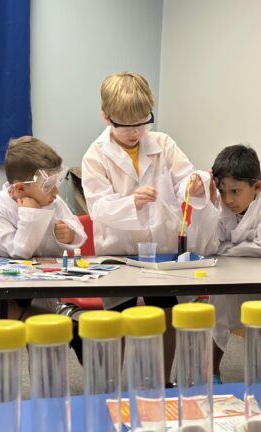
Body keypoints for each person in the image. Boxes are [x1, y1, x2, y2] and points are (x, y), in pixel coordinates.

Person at [81, 71, 211, 382]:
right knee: (122, 318)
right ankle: (111, 387)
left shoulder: (163, 144)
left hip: (161, 252)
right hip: (119, 250)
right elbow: (98, 208)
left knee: (164, 314)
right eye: (125, 125)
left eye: (142, 122)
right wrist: (131, 202)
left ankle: (165, 381)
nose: (135, 132)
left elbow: (185, 180)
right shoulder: (95, 156)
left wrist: (194, 186)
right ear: (106, 117)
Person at [188, 143, 261, 381]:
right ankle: (212, 371)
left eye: (235, 192)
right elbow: (206, 246)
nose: (228, 199)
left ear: (257, 187)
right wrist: (210, 201)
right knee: (219, 308)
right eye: (222, 191)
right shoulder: (218, 201)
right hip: (231, 271)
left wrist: (225, 249)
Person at [0, 136, 87, 325]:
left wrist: (70, 235)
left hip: (44, 289)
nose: (56, 192)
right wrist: (29, 215)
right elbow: (20, 253)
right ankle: (67, 323)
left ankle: (64, 322)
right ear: (20, 187)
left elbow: (79, 231)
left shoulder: (54, 202)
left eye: (57, 183)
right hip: (5, 296)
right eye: (48, 186)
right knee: (48, 327)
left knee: (50, 341)